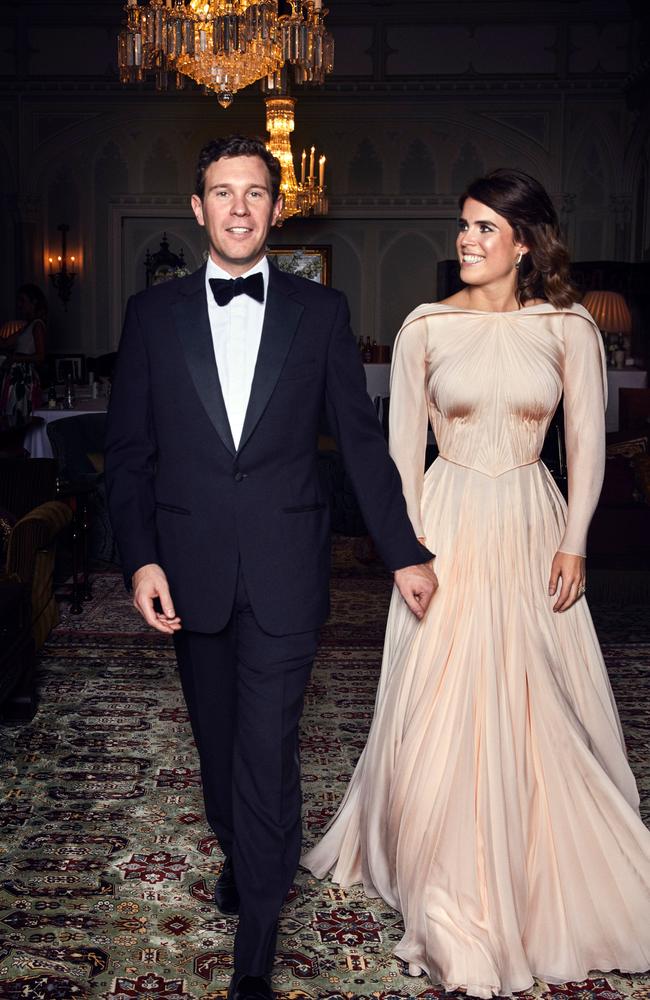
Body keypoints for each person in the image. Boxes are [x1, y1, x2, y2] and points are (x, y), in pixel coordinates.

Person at [104, 135, 437, 1000]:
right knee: (218, 750)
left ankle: (257, 933)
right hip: (190, 567)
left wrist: (403, 552)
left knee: (267, 746)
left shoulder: (319, 314)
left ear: (277, 208)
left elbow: (361, 448)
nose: (241, 208)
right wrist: (139, 559)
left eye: (256, 193)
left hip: (290, 566)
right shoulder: (151, 316)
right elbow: (130, 454)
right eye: (223, 193)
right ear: (198, 207)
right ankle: (244, 852)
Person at [304, 168, 650, 996]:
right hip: (447, 527)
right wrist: (405, 552)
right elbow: (400, 457)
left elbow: (586, 449)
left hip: (534, 526)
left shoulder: (567, 327)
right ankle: (444, 878)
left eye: (486, 228)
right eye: (463, 225)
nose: (466, 239)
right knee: (439, 700)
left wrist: (575, 543)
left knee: (540, 701)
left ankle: (538, 866)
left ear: (524, 243)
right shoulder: (425, 326)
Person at [0, 283, 47, 425]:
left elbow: (41, 357)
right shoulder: (27, 325)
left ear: (34, 302)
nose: (20, 305)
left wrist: (16, 358)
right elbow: (5, 343)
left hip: (24, 378)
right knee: (12, 415)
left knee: (20, 417)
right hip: (17, 377)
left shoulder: (37, 325)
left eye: (23, 301)